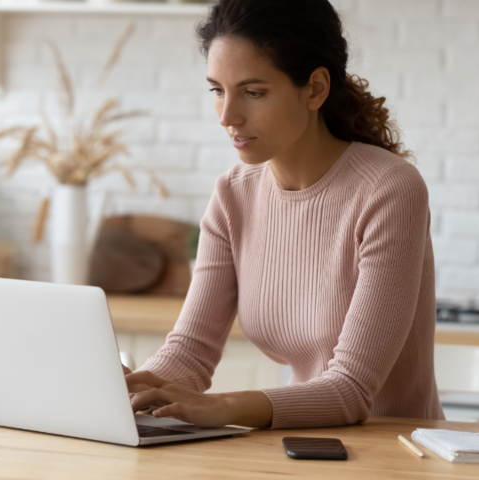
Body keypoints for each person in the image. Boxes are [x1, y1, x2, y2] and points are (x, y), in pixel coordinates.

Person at [124, 0, 445, 429]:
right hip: (298, 446)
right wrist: (133, 387)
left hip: (395, 453)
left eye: (253, 93)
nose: (227, 116)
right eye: (217, 90)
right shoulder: (233, 195)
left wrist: (223, 407)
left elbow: (349, 390)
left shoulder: (389, 190)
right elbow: (190, 353)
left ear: (314, 88)